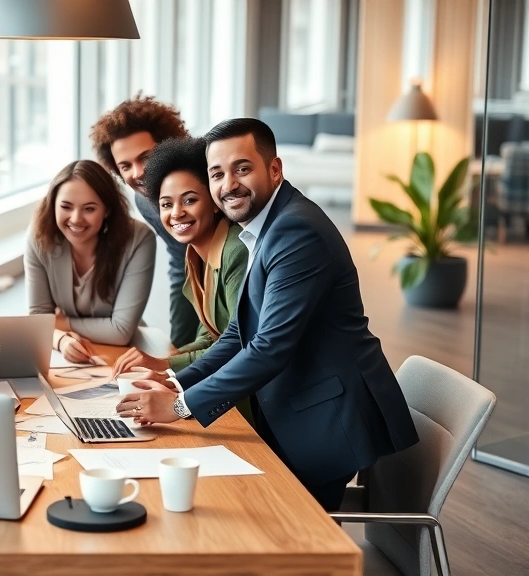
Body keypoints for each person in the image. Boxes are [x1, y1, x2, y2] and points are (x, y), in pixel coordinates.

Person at [116, 118, 419, 510]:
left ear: (274, 170)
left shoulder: (295, 231)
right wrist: (174, 380)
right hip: (297, 409)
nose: (229, 185)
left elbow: (269, 347)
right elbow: (240, 330)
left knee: (268, 526)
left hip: (328, 423)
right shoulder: (266, 225)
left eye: (242, 169)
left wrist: (179, 406)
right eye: (217, 174)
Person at [109, 137, 254, 427]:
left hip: (251, 400)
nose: (176, 213)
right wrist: (160, 367)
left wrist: (168, 370)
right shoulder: (196, 256)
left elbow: (238, 343)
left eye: (189, 200)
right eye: (166, 204)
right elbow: (208, 337)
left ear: (214, 203)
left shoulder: (236, 252)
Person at [90, 94, 198, 348]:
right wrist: (179, 345)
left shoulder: (207, 187)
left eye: (145, 158)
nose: (137, 172)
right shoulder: (145, 203)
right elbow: (181, 259)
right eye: (125, 166)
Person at [25, 160, 156, 363]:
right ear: (53, 206)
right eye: (66, 207)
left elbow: (121, 331)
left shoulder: (139, 239)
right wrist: (60, 339)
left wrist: (63, 322)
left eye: (89, 209)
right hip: (70, 355)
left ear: (107, 210)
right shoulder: (39, 236)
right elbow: (38, 320)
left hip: (126, 355)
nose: (76, 219)